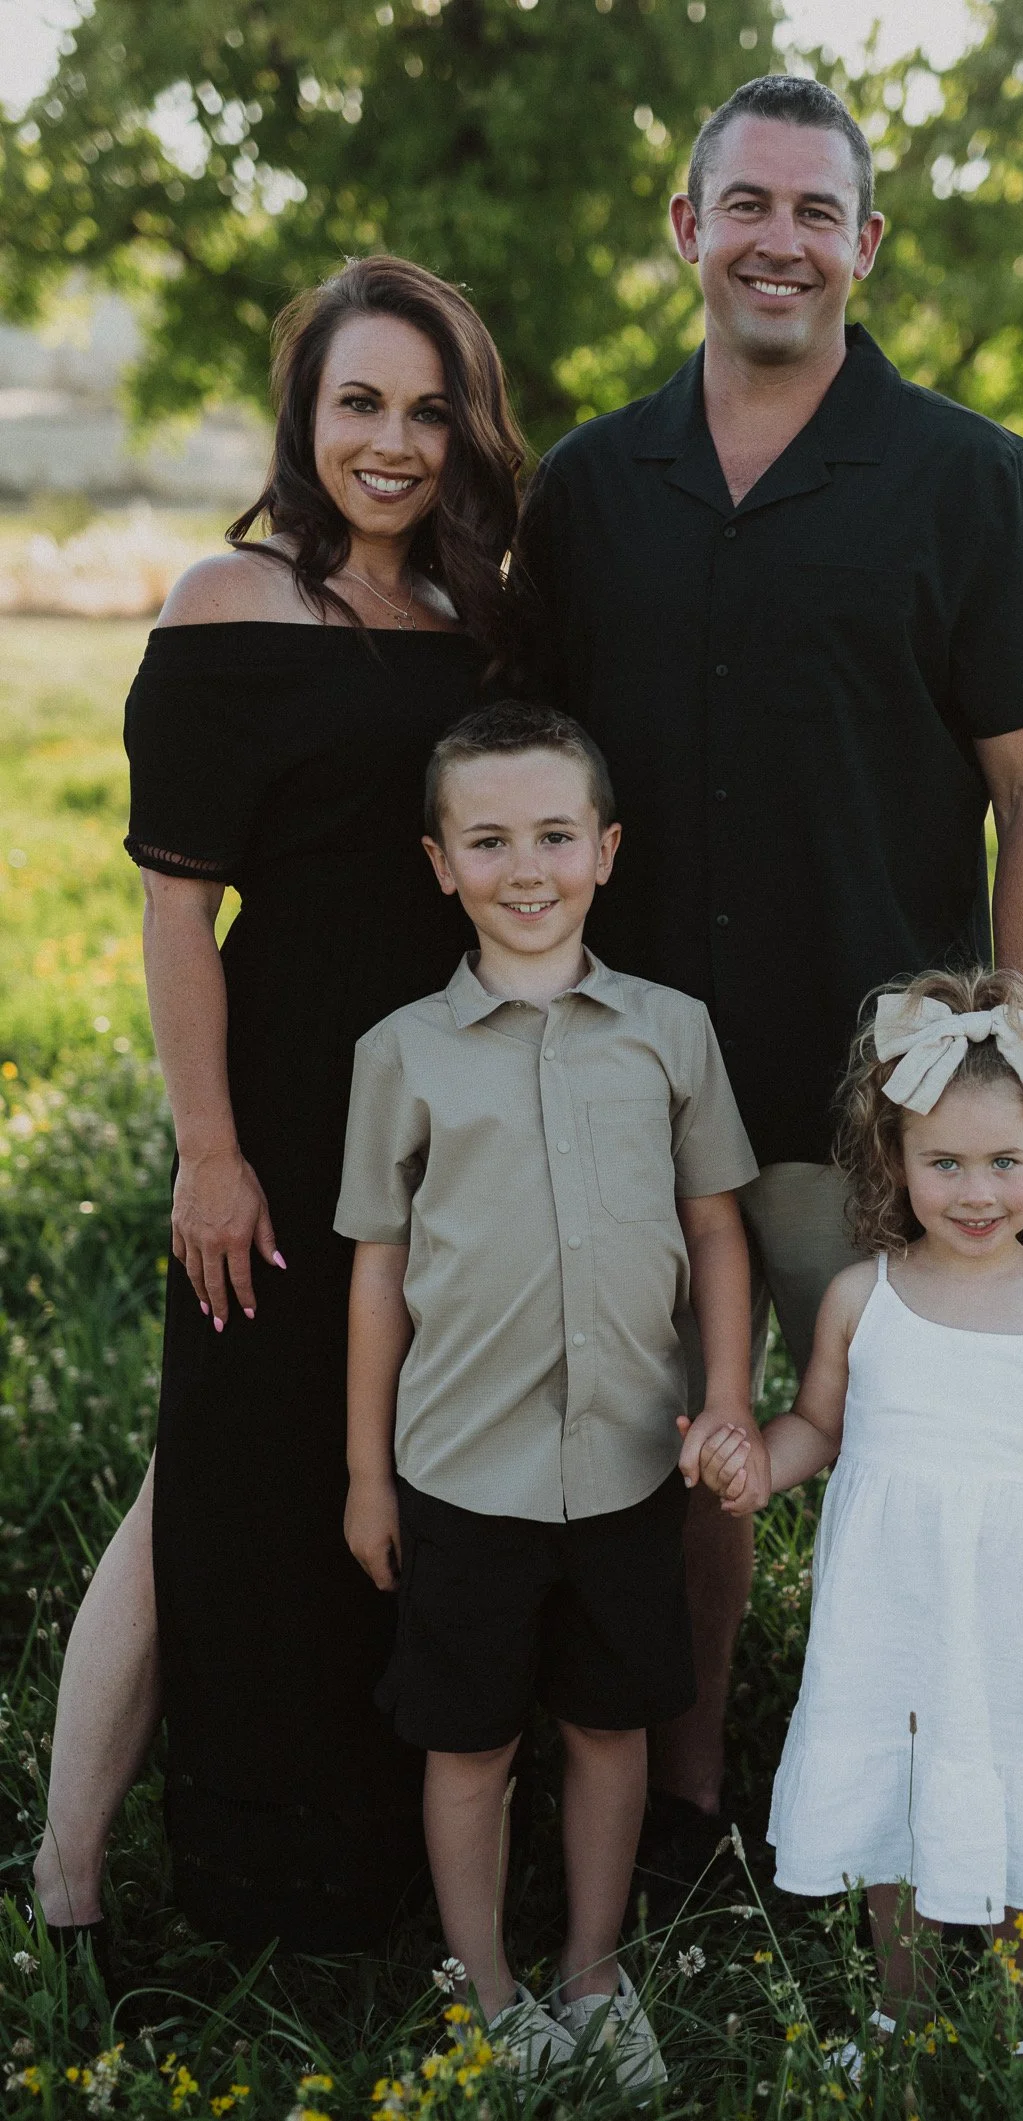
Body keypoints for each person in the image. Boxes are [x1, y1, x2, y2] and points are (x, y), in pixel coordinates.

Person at [514, 73, 1023, 1875]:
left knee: (937, 1457)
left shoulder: (972, 481)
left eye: (815, 211)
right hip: (632, 1090)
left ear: (863, 247)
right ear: (686, 231)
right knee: (686, 1462)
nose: (776, 238)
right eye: (746, 204)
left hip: (871, 1101)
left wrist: (1006, 1076)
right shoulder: (584, 490)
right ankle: (694, 1797)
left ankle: (977, 1807)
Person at [30, 257, 524, 1954]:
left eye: (425, 407)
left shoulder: (485, 618)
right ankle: (76, 1876)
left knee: (382, 1467)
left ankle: (373, 1860)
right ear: (303, 418)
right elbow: (179, 906)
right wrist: (210, 1152)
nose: (390, 441)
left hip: (452, 1115)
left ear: (466, 427)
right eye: (357, 403)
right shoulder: (226, 604)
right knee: (212, 1480)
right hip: (286, 1104)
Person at [334, 701, 760, 2083]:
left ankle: (592, 1972)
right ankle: (485, 1988)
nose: (528, 866)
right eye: (490, 838)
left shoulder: (670, 1032)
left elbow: (714, 1231)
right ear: (439, 861)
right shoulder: (400, 1051)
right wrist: (363, 1474)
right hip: (461, 1470)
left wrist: (730, 1396)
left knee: (609, 1722)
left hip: (631, 1463)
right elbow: (379, 1273)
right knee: (466, 1742)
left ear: (608, 849)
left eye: (556, 835)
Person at [695, 967, 1023, 2045]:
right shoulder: (868, 1297)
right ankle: (899, 2011)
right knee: (893, 1803)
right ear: (892, 1162)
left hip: (1019, 1620)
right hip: (892, 1612)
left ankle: (1018, 2024)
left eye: (1004, 1162)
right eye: (942, 1163)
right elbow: (820, 1423)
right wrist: (756, 1466)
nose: (975, 1192)